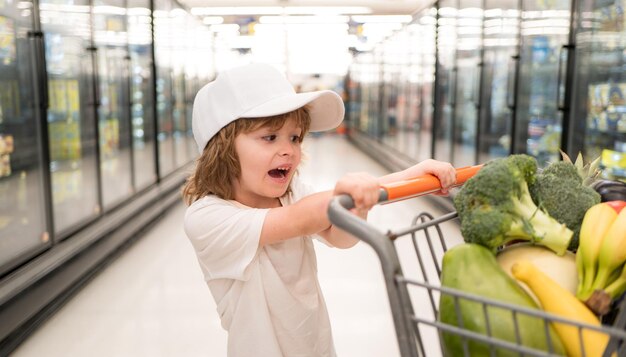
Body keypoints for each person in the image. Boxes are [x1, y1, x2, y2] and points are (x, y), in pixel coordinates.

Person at [182, 63, 456, 357]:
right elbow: (300, 218)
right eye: (270, 137)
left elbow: (341, 236)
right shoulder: (207, 217)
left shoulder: (291, 192)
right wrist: (350, 192)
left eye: (295, 137)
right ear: (222, 149)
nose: (289, 149)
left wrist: (413, 175)